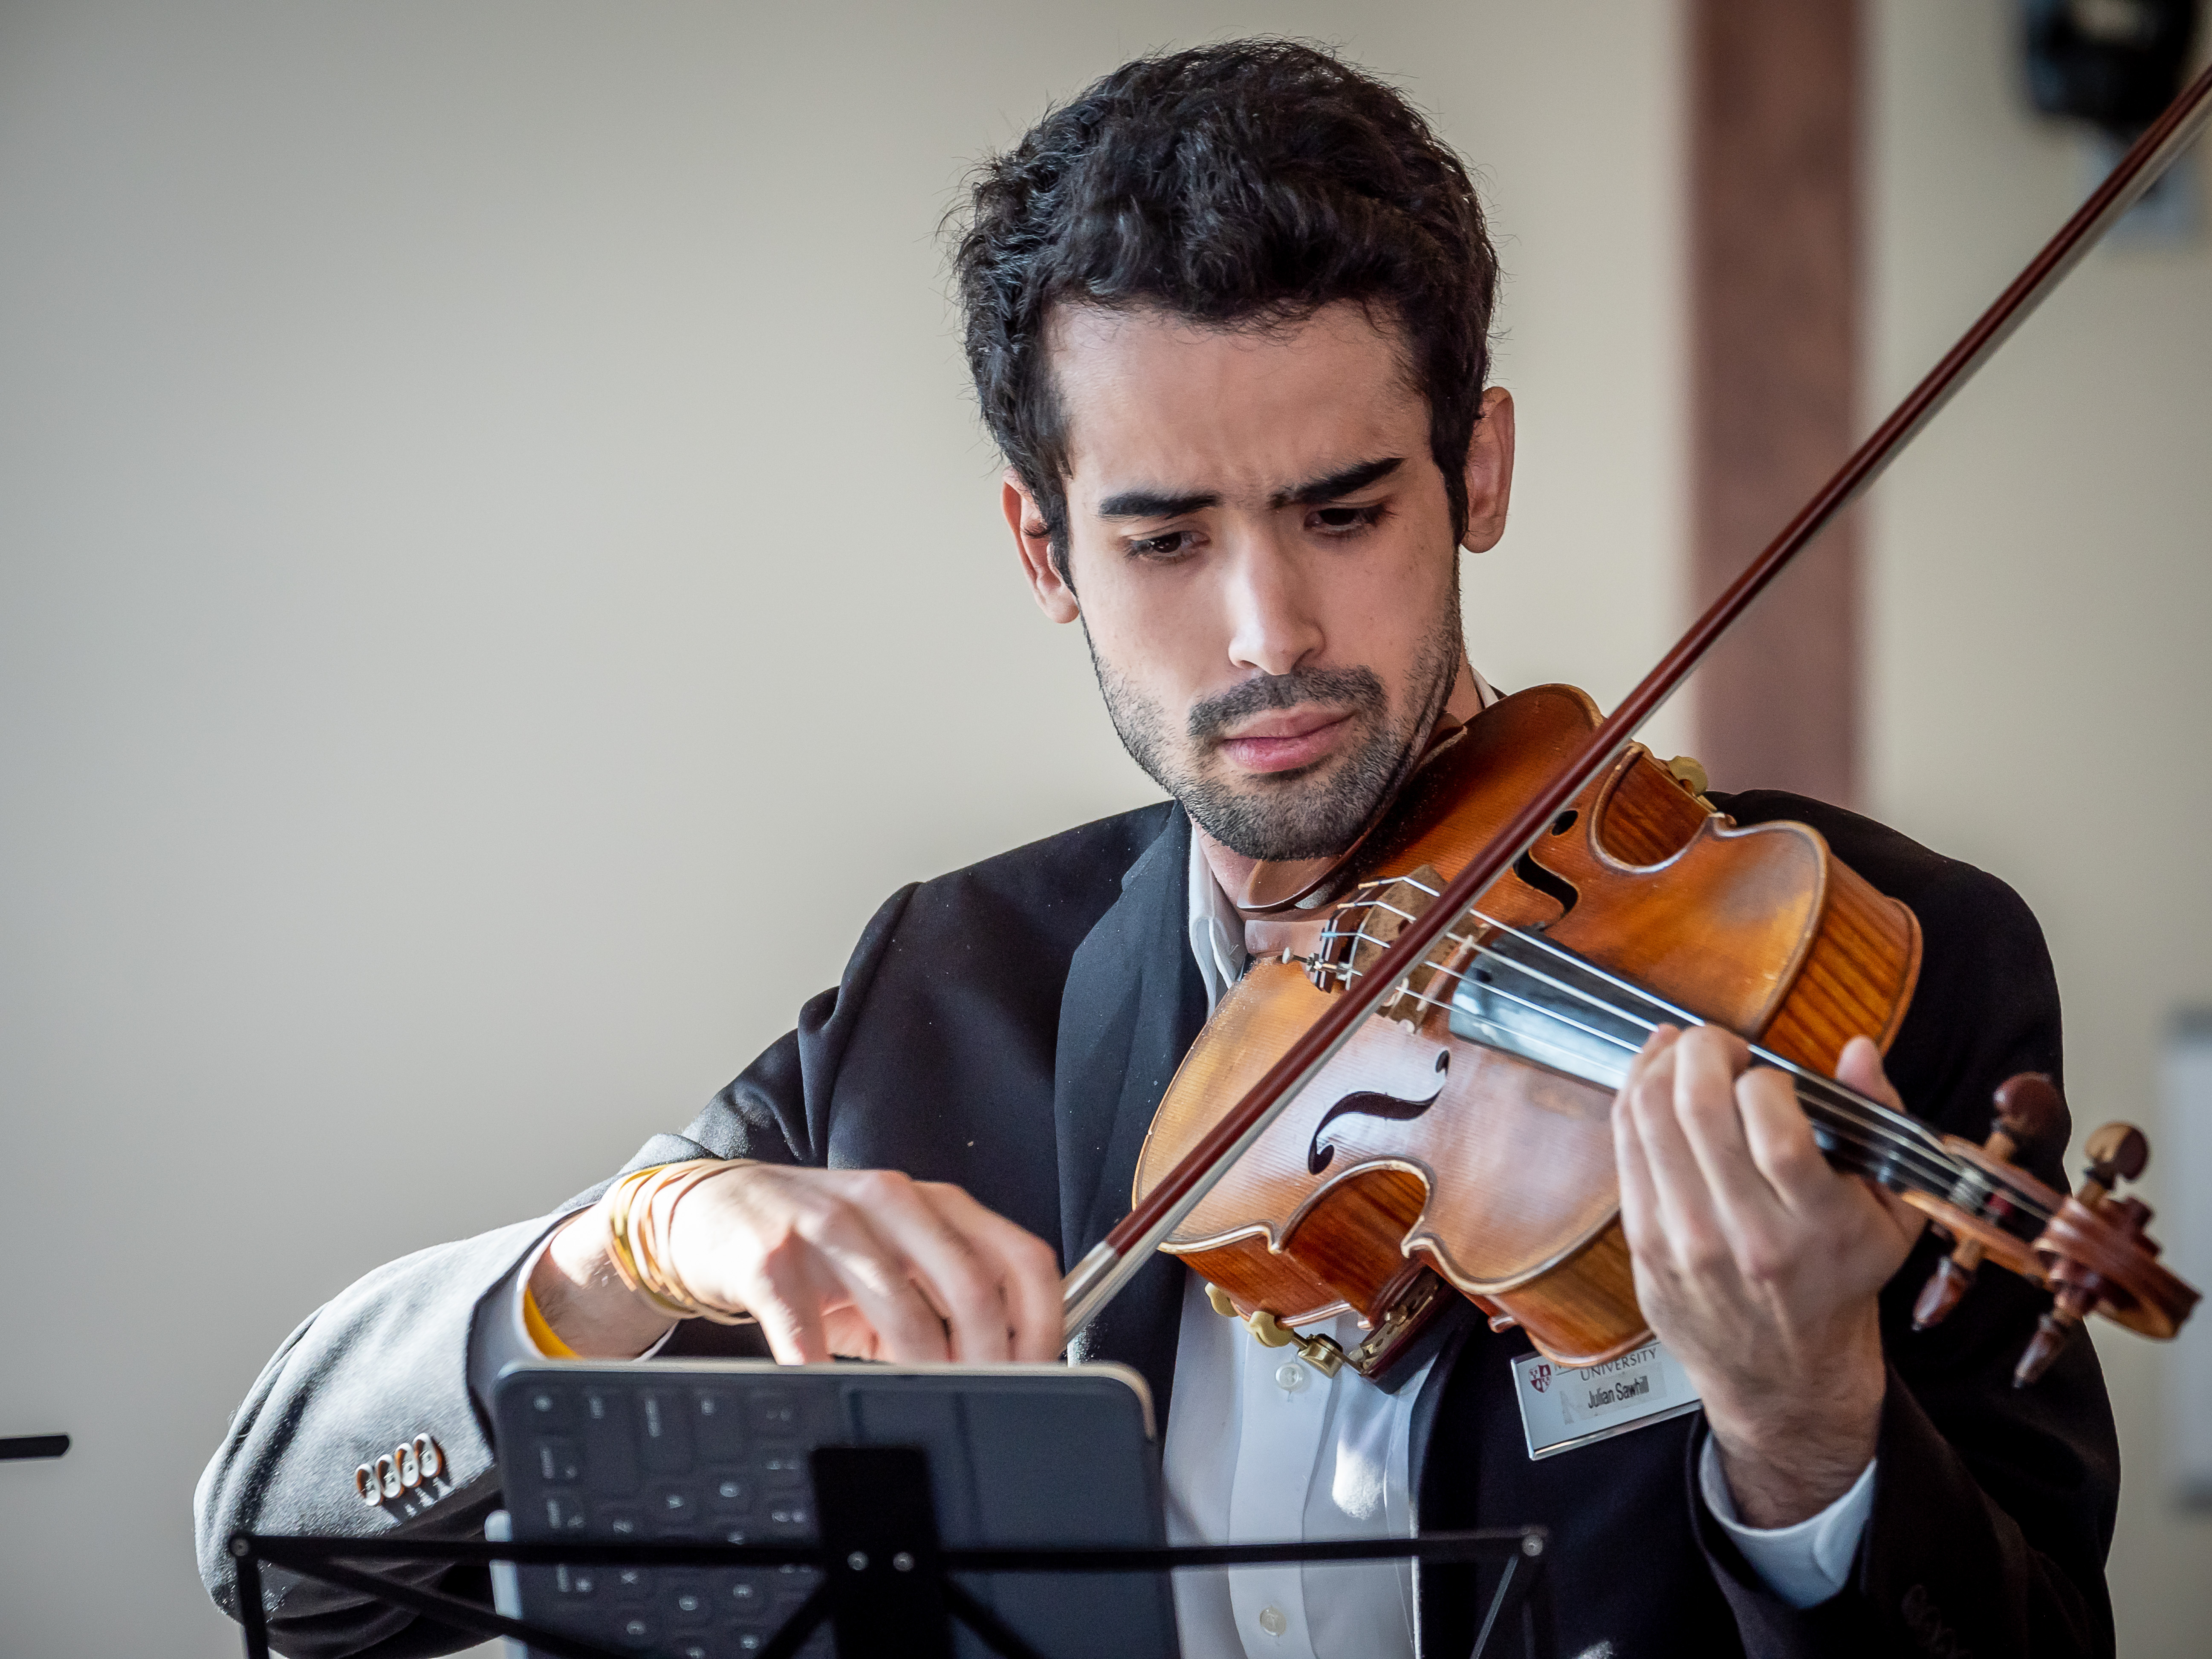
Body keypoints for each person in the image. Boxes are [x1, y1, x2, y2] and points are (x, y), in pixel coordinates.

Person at [195, 40, 2119, 1659]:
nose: (1266, 630)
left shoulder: (1875, 959)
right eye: (1162, 538)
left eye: (1344, 508)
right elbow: (287, 1560)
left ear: (1479, 471)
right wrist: (639, 1232)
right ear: (1044, 551)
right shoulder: (942, 995)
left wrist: (1807, 1430)